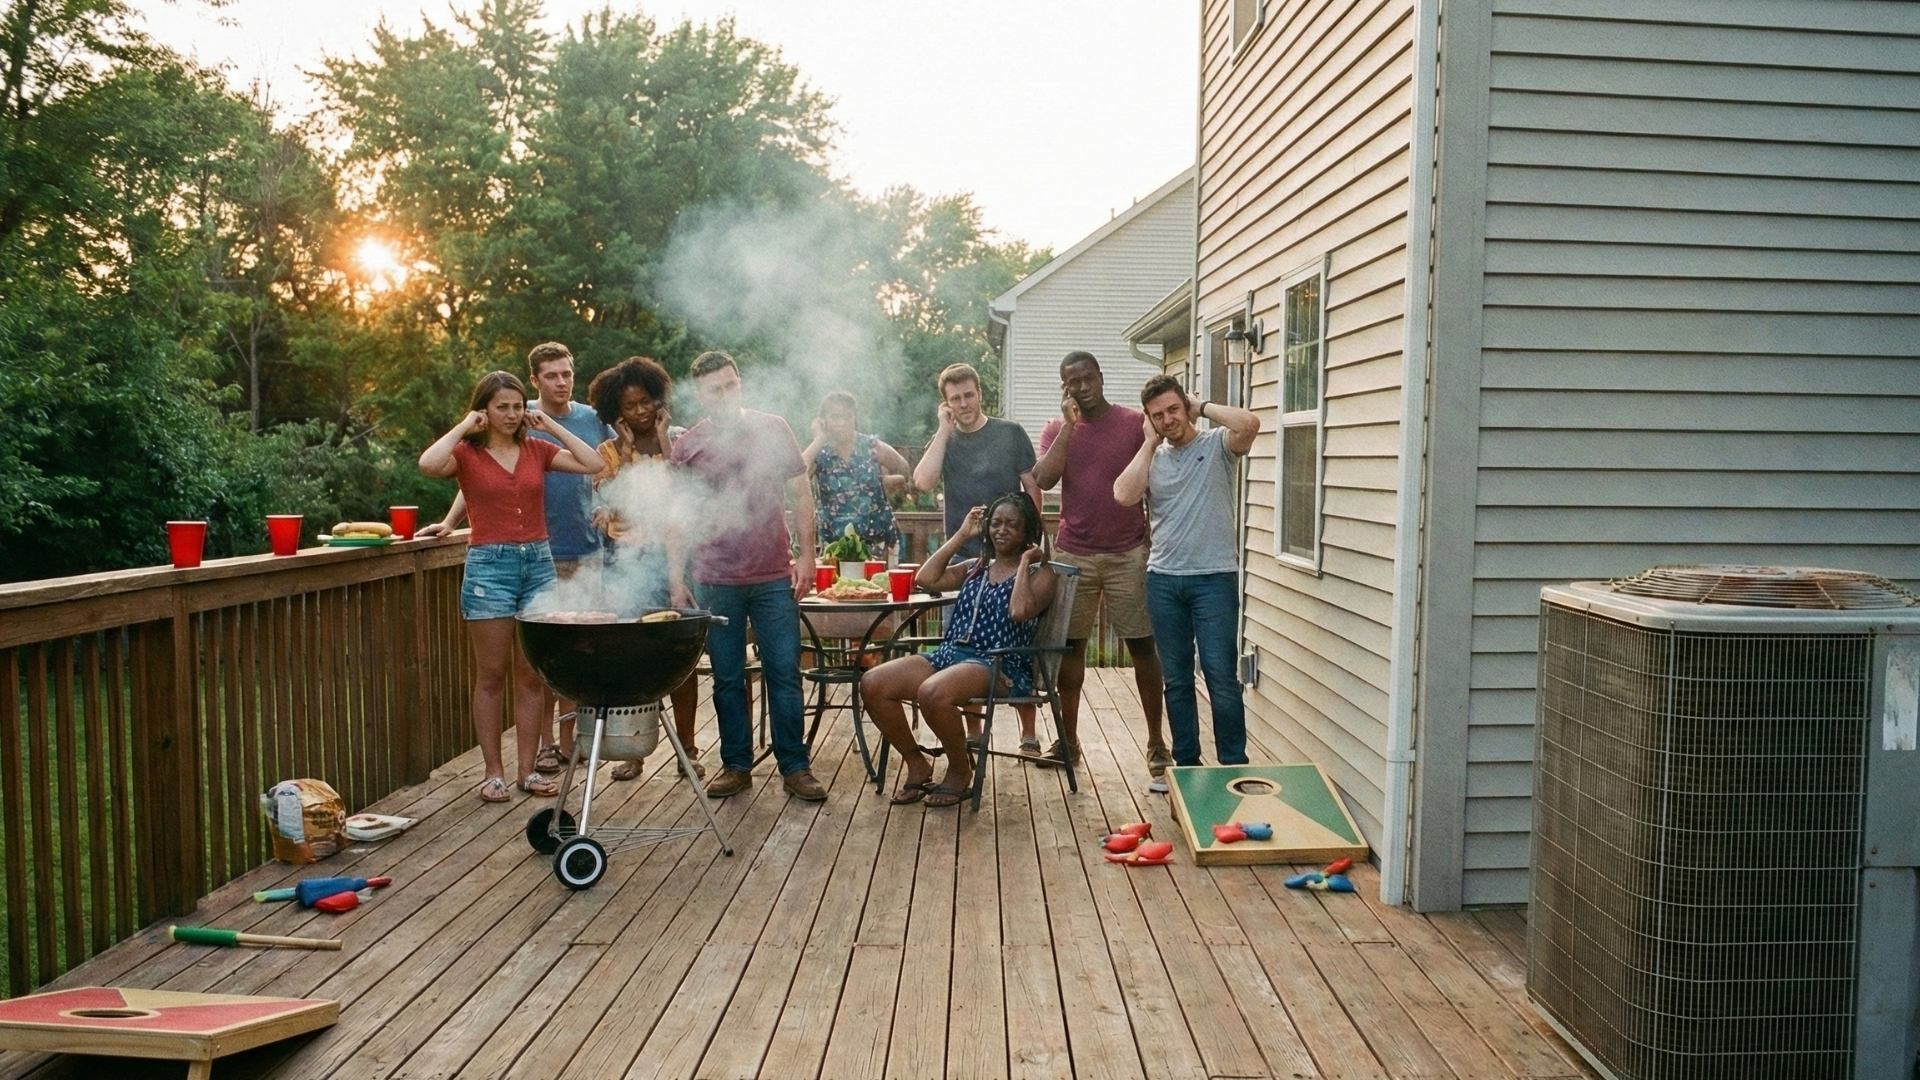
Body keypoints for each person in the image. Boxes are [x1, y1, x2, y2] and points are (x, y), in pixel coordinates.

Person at [423, 343, 612, 775]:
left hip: (538, 564)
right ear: (484, 412)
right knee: (492, 675)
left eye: (515, 408)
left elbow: (593, 462)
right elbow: (429, 464)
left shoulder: (537, 451)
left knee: (532, 674)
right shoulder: (467, 455)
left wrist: (549, 427)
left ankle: (527, 771)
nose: (511, 414)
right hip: (490, 567)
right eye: (500, 407)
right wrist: (463, 426)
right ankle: (494, 773)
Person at [667, 351, 826, 802]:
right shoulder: (689, 445)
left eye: (731, 384)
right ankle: (736, 765)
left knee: (784, 671)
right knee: (727, 677)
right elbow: (676, 517)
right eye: (715, 389)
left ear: (740, 382)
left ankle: (795, 766)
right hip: (714, 578)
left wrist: (808, 557)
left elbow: (800, 494)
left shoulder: (773, 428)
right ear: (700, 393)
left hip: (774, 574)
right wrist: (677, 580)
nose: (725, 394)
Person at [861, 493, 1055, 808]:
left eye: (1012, 525)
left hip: (999, 664)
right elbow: (926, 578)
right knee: (873, 683)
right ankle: (917, 763)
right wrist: (962, 534)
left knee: (933, 692)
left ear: (1028, 533)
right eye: (996, 523)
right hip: (951, 655)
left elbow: (1020, 611)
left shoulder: (1041, 574)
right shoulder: (975, 566)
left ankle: (959, 770)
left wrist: (1022, 564)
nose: (1001, 531)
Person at [1113, 375, 1260, 770]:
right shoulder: (1152, 459)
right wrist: (1147, 443)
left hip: (1214, 580)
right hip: (1164, 582)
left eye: (1174, 409)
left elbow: (1249, 424)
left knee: (1221, 678)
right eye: (1158, 415)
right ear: (1149, 419)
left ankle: (1233, 767)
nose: (1168, 419)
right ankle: (1187, 768)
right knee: (1176, 681)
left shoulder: (1217, 446)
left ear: (1186, 406)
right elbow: (1123, 495)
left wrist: (1203, 407)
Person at [1033, 351, 1167, 775]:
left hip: (1128, 551)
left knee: (1142, 645)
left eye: (1089, 378)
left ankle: (1156, 742)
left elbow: (1155, 480)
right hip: (1074, 553)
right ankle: (1067, 741)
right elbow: (1043, 479)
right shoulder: (1058, 429)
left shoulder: (1131, 424)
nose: (1083, 386)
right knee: (1070, 648)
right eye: (1074, 382)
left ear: (1101, 378)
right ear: (1064, 387)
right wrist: (1070, 426)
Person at [909, 362, 1043, 745]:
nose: (964, 403)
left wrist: (1033, 542)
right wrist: (943, 429)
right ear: (946, 403)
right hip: (965, 563)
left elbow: (1033, 486)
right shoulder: (947, 439)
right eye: (956, 398)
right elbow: (922, 481)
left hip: (1011, 558)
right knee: (962, 649)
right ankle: (973, 732)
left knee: (1017, 643)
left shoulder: (1010, 433)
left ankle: (1029, 730)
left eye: (969, 395)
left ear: (980, 393)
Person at [586, 356, 702, 782]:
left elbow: (684, 488)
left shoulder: (679, 439)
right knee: (632, 659)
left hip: (674, 559)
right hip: (626, 560)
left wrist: (662, 439)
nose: (640, 411)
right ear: (616, 410)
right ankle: (633, 751)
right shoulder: (608, 452)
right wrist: (631, 448)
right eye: (630, 405)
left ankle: (687, 749)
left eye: (646, 402)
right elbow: (615, 498)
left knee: (680, 658)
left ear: (659, 400)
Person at [802, 391, 910, 559]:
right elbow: (798, 473)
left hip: (878, 543)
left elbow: (903, 468)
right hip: (836, 546)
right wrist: (818, 439)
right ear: (823, 421)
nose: (842, 422)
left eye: (847, 417)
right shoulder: (820, 451)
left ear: (855, 418)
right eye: (835, 417)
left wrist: (888, 482)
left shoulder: (871, 446)